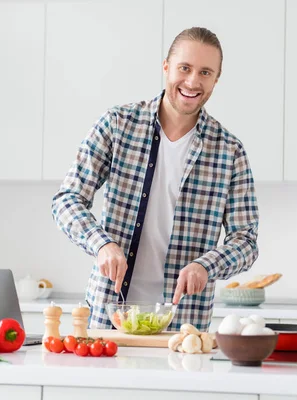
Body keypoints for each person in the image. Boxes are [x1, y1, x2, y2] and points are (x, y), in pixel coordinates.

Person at [51, 27, 259, 332]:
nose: (192, 82)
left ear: (216, 80)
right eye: (184, 68)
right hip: (109, 318)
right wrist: (102, 245)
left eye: (205, 72)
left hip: (184, 326)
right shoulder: (118, 125)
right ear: (166, 67)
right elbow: (67, 200)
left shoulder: (229, 151)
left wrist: (206, 265)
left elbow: (246, 241)